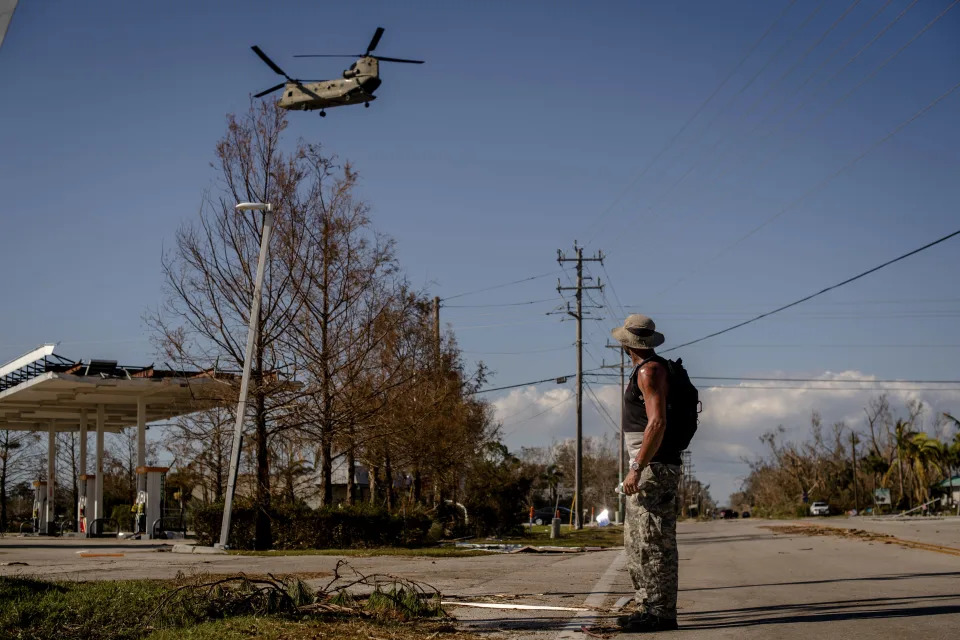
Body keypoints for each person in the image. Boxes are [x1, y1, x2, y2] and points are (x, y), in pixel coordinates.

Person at [611, 314, 682, 632]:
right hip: (651, 466)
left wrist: (636, 468)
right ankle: (648, 607)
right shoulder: (648, 369)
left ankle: (660, 614)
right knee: (638, 542)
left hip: (652, 467)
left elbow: (657, 422)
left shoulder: (650, 371)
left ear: (626, 343)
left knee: (652, 543)